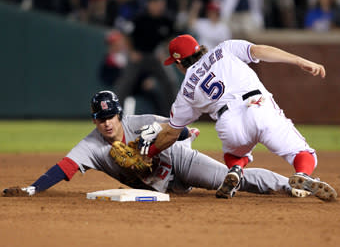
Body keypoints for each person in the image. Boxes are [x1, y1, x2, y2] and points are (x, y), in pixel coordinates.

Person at [137, 34, 337, 201]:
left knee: (235, 154)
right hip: (259, 107)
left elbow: (171, 132)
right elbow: (259, 51)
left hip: (228, 122)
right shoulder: (224, 49)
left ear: (179, 62)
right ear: (199, 49)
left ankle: (235, 170)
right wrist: (298, 60)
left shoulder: (186, 91)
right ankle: (302, 174)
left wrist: (149, 153)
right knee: (303, 153)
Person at [2, 90, 310, 198]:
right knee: (167, 187)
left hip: (179, 161)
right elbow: (65, 167)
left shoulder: (139, 122)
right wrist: (33, 188)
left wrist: (188, 136)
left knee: (227, 180)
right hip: (160, 186)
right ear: (94, 121)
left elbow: (175, 128)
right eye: (100, 118)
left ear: (119, 114)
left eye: (111, 115)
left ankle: (291, 184)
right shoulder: (92, 146)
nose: (107, 122)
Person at [113, 0, 178, 116]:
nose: (159, 6)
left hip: (155, 56)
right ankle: (114, 114)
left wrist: (164, 51)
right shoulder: (139, 18)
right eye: (155, 3)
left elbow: (170, 39)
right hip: (139, 56)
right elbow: (127, 36)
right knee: (124, 83)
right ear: (149, 4)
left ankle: (175, 116)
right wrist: (131, 52)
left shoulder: (167, 19)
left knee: (170, 81)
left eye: (161, 3)